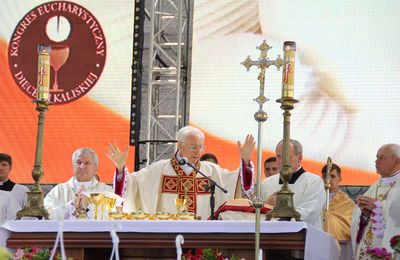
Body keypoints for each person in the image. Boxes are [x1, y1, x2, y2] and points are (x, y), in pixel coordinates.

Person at [107, 126, 255, 220]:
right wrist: (120, 168)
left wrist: (246, 162)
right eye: (193, 147)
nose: (198, 152)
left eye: (200, 148)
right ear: (180, 145)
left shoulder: (211, 171)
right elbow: (134, 185)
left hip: (202, 237)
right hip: (167, 237)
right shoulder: (159, 170)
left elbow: (235, 183)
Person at [260, 139, 326, 228]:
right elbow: (257, 213)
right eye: (279, 156)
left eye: (287, 156)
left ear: (299, 158)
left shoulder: (314, 182)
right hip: (269, 235)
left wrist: (279, 222)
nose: (281, 161)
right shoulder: (266, 183)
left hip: (301, 236)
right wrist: (266, 205)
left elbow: (308, 213)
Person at [351, 144, 400, 259]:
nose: (376, 161)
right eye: (376, 157)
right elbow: (357, 217)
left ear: (397, 161)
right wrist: (363, 214)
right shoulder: (374, 187)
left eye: (382, 158)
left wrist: (378, 207)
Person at [44, 148, 113, 220]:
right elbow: (45, 213)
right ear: (73, 165)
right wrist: (70, 206)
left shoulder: (107, 191)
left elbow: (115, 214)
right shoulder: (59, 190)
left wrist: (89, 206)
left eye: (87, 163)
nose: (82, 166)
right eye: (78, 162)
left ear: (95, 167)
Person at [322, 163, 355, 260]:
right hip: (319, 241)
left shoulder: (347, 202)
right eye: (325, 177)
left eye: (332, 176)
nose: (329, 180)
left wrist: (328, 218)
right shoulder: (315, 198)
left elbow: (352, 223)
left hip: (341, 244)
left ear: (340, 178)